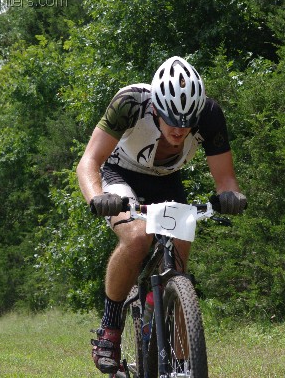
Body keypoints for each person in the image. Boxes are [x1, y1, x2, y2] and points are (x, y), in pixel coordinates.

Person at [76, 56, 247, 374]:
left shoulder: (209, 114)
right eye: (172, 120)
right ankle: (110, 331)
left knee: (180, 253)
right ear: (156, 108)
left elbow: (226, 180)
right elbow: (89, 161)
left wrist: (231, 196)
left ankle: (183, 360)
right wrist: (98, 198)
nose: (180, 129)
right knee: (138, 238)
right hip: (118, 174)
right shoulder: (130, 103)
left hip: (166, 179)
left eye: (187, 122)